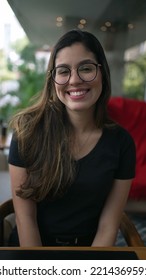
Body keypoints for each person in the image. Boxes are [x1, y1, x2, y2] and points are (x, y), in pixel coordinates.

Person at [8, 29, 136, 247]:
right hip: (32, 252)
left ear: (102, 72)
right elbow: (25, 219)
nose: (74, 80)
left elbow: (108, 225)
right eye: (63, 71)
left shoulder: (121, 143)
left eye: (85, 69)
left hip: (90, 253)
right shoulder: (27, 132)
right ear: (53, 79)